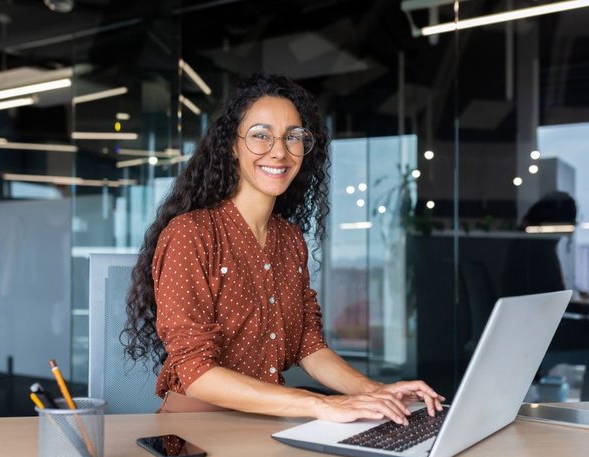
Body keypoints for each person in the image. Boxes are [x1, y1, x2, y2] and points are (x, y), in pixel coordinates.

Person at [123, 73, 443, 425]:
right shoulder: (191, 233)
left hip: (266, 422)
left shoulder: (289, 240)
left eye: (293, 137)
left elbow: (309, 345)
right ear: (232, 145)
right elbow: (196, 374)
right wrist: (319, 404)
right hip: (198, 427)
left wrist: (373, 391)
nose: (279, 151)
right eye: (261, 135)